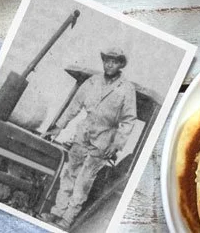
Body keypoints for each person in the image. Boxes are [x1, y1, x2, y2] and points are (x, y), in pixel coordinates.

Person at [41, 48, 137, 229]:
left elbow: (128, 120)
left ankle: (66, 220)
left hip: (103, 142)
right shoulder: (92, 82)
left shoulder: (126, 89)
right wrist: (59, 127)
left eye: (114, 61)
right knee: (69, 174)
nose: (109, 64)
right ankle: (55, 213)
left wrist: (116, 144)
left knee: (83, 182)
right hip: (82, 136)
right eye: (107, 60)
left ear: (120, 65)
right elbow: (74, 106)